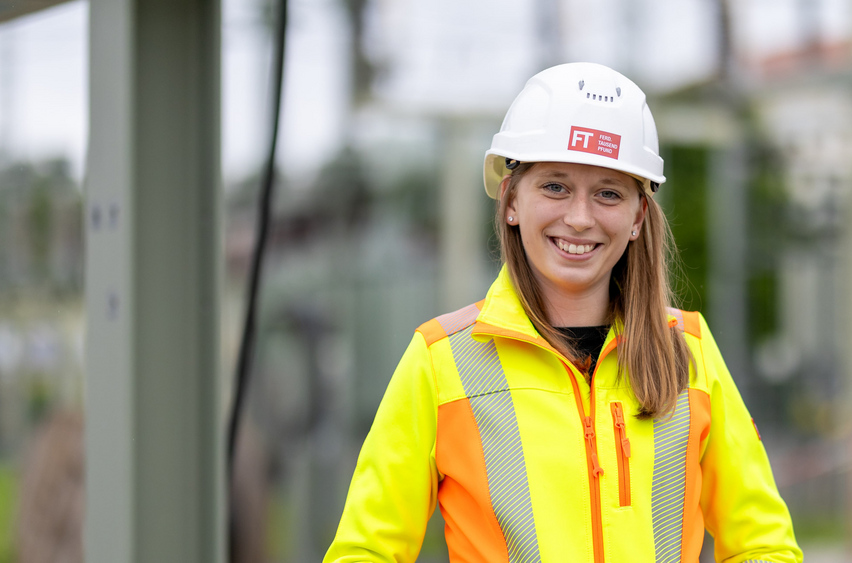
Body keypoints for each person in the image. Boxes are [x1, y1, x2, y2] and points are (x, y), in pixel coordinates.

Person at [325, 62, 802, 563]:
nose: (579, 218)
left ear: (638, 215)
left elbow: (764, 545)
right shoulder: (441, 362)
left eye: (608, 193)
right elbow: (365, 549)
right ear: (511, 199)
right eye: (555, 186)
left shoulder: (689, 353)